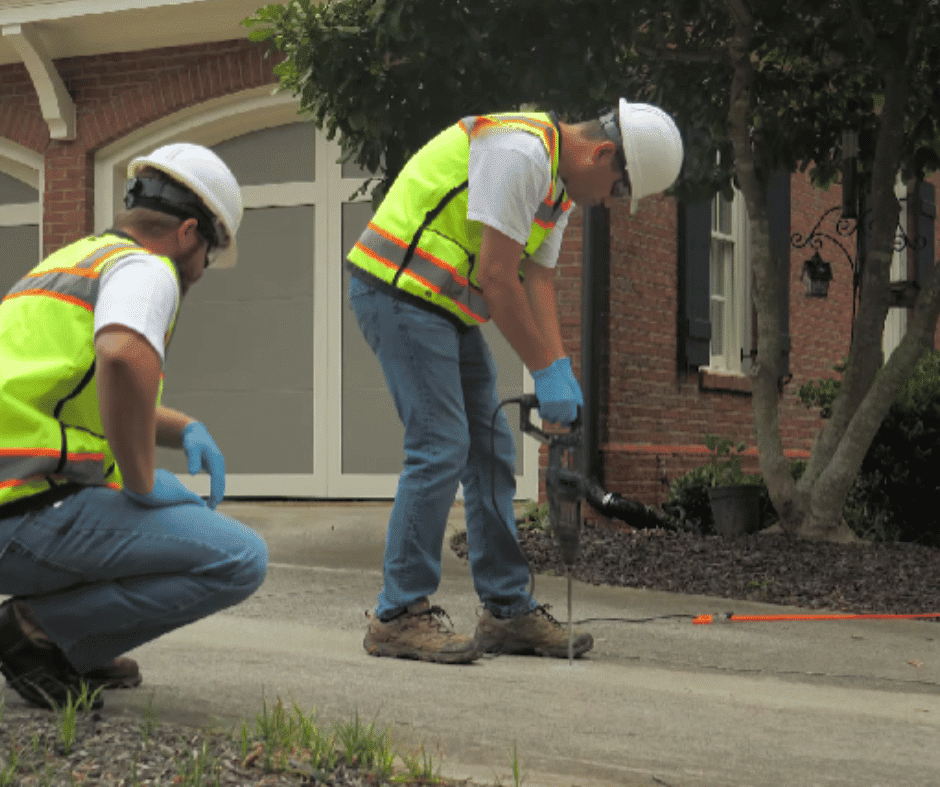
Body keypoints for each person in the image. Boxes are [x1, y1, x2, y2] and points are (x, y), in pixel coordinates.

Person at [346, 99, 683, 663]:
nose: (610, 202)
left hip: (443, 304)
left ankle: (507, 611)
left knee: (493, 451)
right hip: (396, 290)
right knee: (440, 445)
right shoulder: (523, 153)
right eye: (619, 189)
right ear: (604, 153)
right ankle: (398, 614)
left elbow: (539, 280)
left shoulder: (558, 189)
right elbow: (497, 277)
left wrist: (559, 369)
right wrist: (546, 371)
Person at [0, 143, 268, 709]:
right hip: (21, 510)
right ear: (190, 233)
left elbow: (80, 388)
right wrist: (141, 482)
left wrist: (182, 427)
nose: (200, 273)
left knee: (157, 520)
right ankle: (33, 632)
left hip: (17, 495)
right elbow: (121, 358)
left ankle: (75, 642)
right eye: (208, 258)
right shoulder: (149, 268)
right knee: (238, 559)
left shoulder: (70, 262)